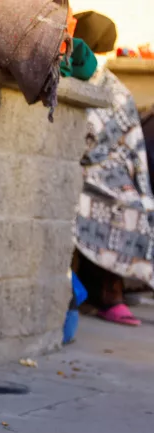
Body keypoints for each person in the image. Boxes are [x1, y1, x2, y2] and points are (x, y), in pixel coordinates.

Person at [71, 14, 154, 327]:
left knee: (134, 204)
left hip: (110, 168)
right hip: (79, 165)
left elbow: (129, 145)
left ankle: (109, 290)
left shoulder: (113, 89)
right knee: (113, 202)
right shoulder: (74, 75)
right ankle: (106, 294)